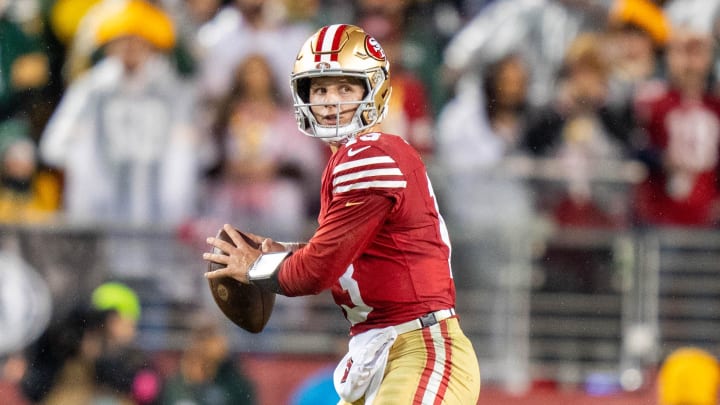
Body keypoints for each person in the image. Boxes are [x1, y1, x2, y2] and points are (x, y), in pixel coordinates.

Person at [203, 24, 481, 404]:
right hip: (380, 351)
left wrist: (256, 267)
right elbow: (356, 257)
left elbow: (316, 272)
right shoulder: (352, 159)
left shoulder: (366, 156)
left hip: (417, 350)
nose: (330, 101)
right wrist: (286, 251)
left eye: (345, 88)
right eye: (320, 89)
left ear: (374, 91)